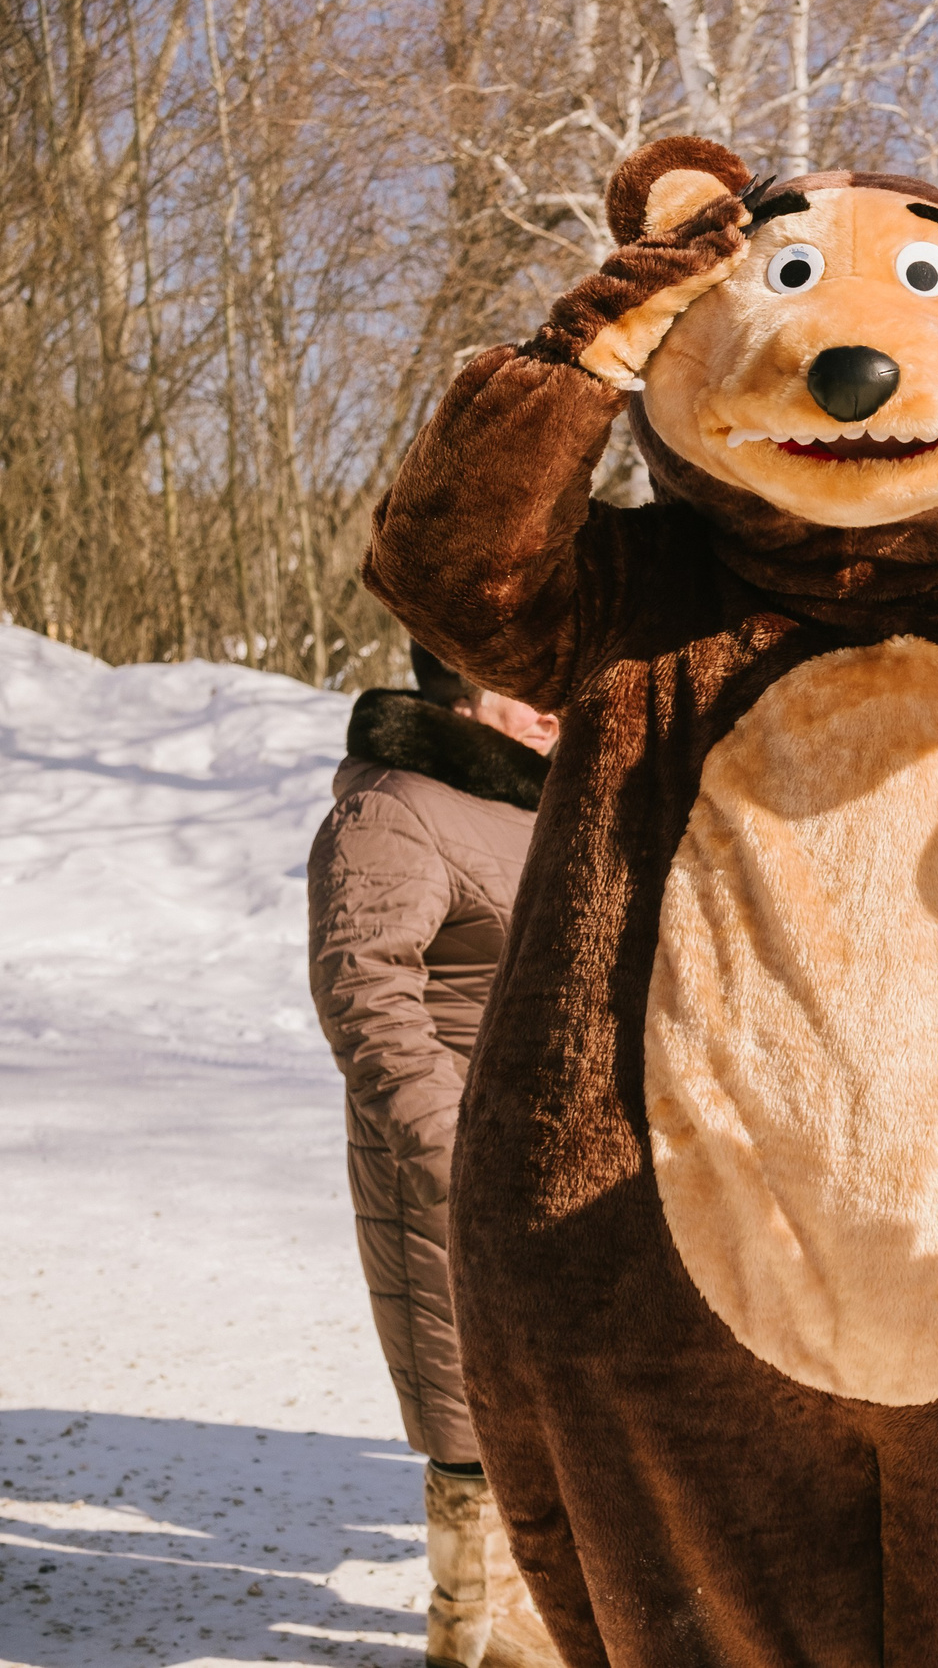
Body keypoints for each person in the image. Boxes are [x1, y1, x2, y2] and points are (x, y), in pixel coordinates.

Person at [306, 646, 561, 1668]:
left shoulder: (545, 803)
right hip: (458, 1189)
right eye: (523, 683)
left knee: (556, 1442)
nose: (549, 704)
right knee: (482, 1449)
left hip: (565, 1186)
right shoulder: (394, 808)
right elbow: (370, 1000)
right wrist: (469, 1167)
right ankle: (484, 1648)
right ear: (456, 683)